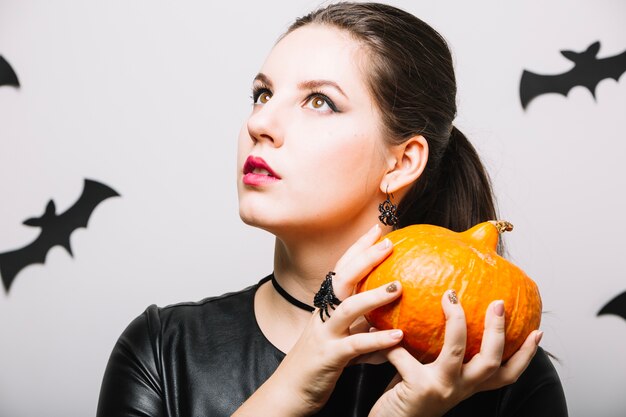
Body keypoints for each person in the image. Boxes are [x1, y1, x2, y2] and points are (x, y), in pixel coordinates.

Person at [97, 2, 568, 416]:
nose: (260, 122)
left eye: (319, 101)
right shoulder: (162, 351)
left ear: (402, 163)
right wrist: (288, 388)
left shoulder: (496, 372)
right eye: (262, 94)